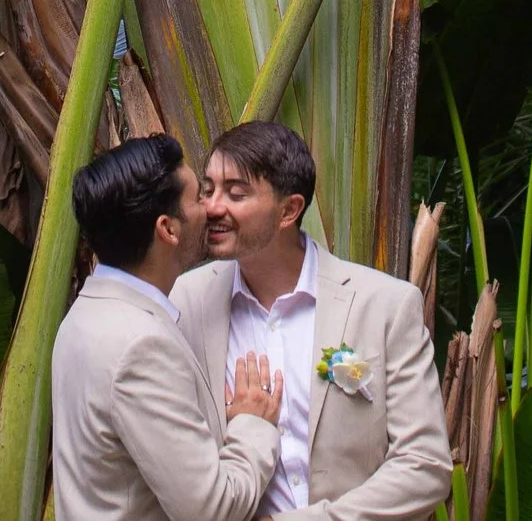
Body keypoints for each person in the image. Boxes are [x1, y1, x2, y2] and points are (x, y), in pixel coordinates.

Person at [170, 122, 453, 521]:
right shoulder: (185, 301)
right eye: (208, 189)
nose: (214, 207)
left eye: (236, 193)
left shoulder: (386, 305)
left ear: (289, 210)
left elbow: (425, 465)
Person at [53, 133, 286, 521]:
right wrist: (253, 425)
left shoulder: (84, 314)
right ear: (168, 229)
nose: (211, 208)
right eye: (197, 198)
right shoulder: (140, 346)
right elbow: (210, 509)